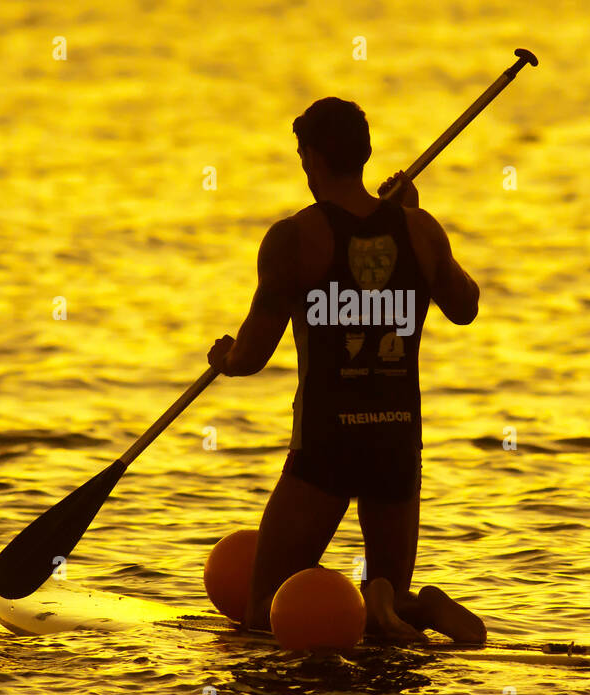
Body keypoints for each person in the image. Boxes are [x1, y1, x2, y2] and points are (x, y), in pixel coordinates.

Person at [207, 97, 485, 643]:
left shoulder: (294, 239)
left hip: (327, 444)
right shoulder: (420, 231)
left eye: (302, 156)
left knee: (262, 613)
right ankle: (409, 606)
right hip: (396, 439)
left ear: (312, 158)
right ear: (365, 154)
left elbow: (252, 356)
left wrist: (224, 358)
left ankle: (390, 605)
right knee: (385, 634)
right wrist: (416, 223)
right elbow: (466, 306)